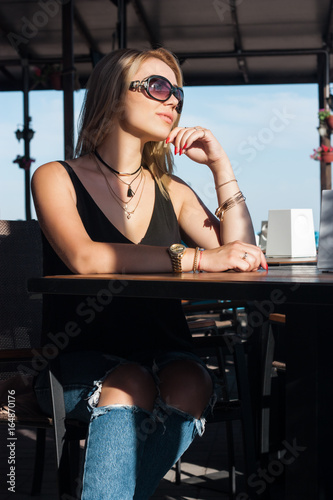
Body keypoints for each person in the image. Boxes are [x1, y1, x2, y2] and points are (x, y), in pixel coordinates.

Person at [32, 47, 267, 500]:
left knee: (192, 381)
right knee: (129, 382)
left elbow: (240, 256)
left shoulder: (172, 189)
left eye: (177, 92)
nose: (173, 101)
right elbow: (86, 257)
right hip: (79, 357)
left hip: (166, 350)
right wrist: (195, 259)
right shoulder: (55, 176)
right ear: (114, 95)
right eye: (158, 86)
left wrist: (221, 166)